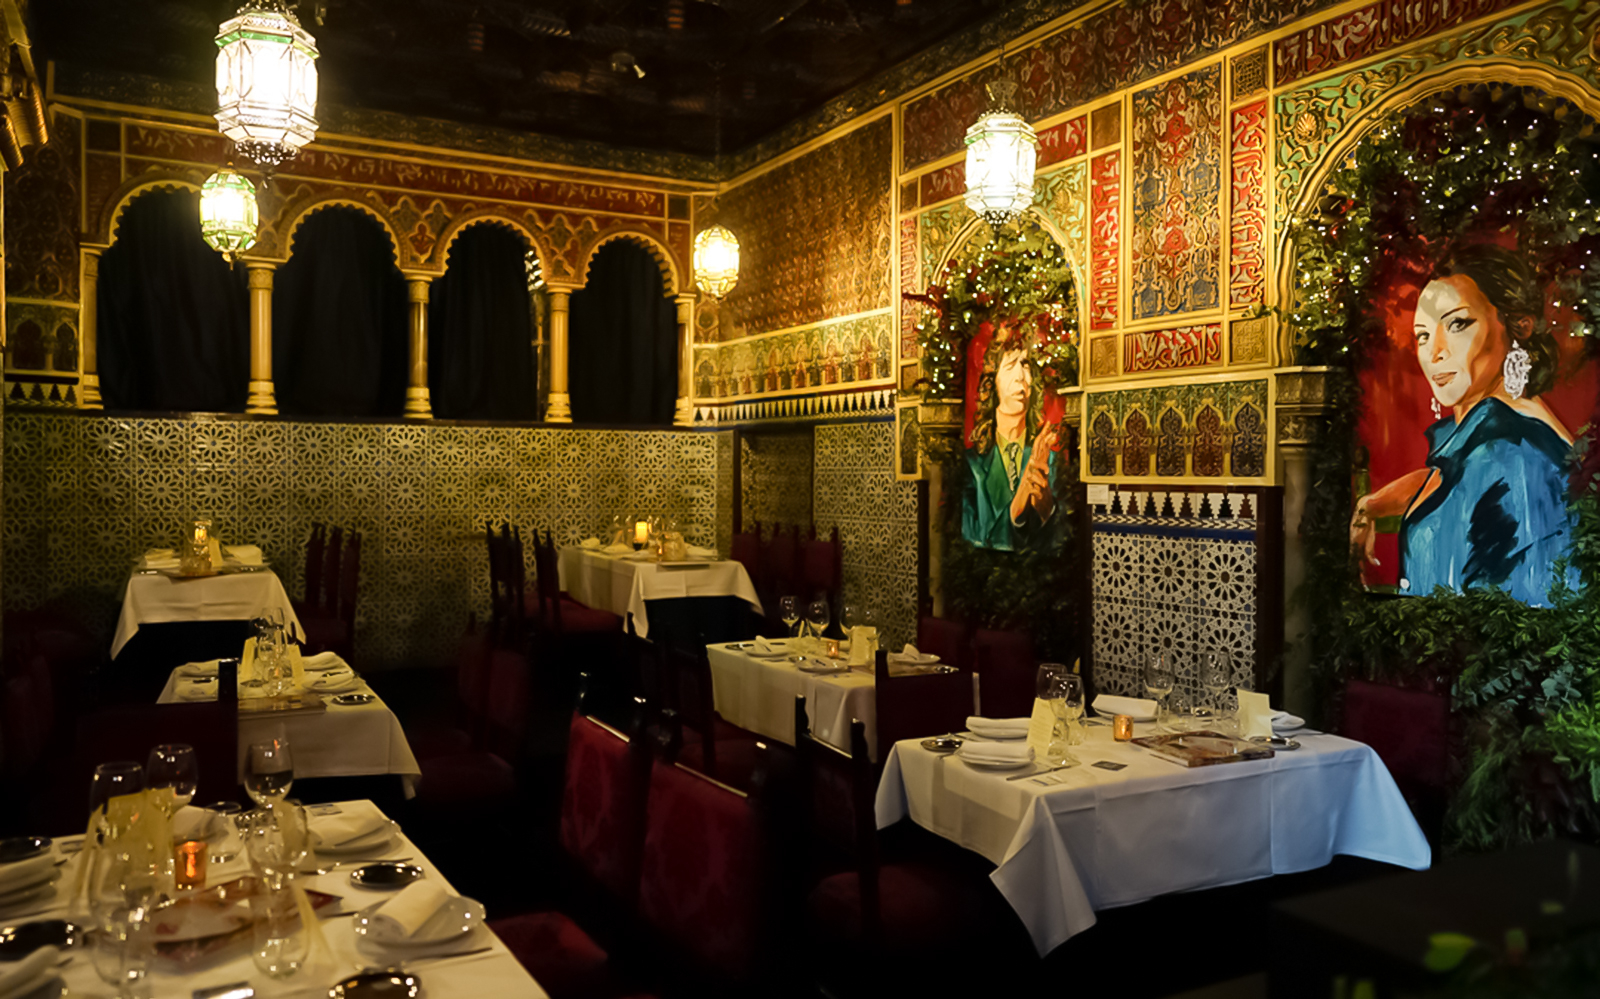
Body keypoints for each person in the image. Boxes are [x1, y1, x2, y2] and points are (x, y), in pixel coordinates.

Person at [1350, 244, 1577, 606]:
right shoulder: (1489, 436)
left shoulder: (1516, 454)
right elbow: (1454, 483)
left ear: (1518, 326)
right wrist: (1372, 504)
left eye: (1458, 324)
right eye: (1422, 336)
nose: (1434, 351)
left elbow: (1522, 627)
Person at [963, 323, 1059, 551]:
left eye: (1025, 366)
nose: (1019, 377)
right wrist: (1018, 505)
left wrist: (1047, 510)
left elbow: (1061, 543)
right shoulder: (973, 464)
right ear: (991, 385)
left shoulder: (1048, 460)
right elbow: (974, 538)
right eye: (1009, 367)